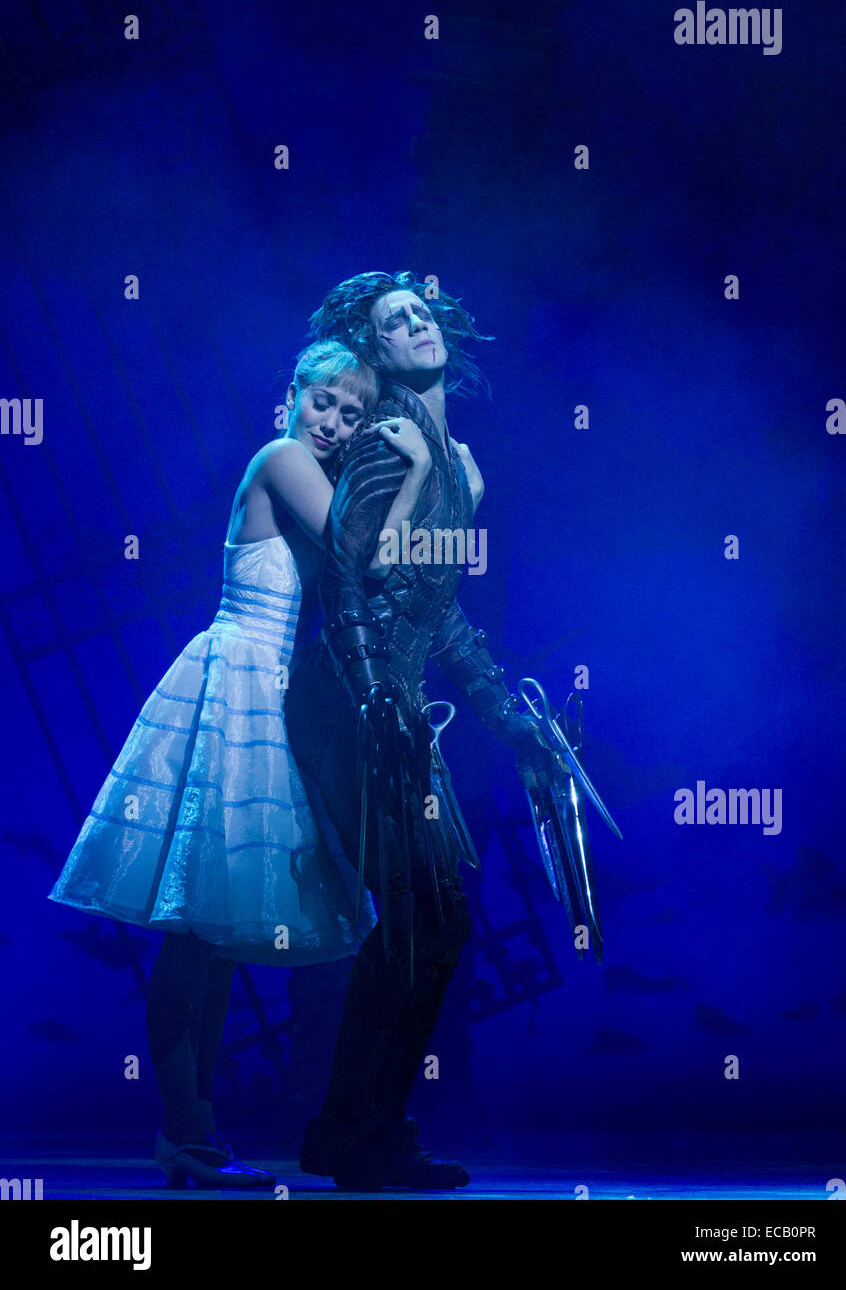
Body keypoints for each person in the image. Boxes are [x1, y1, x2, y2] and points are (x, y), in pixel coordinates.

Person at [48, 339, 442, 1190]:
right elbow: (362, 548)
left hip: (274, 692)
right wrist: (412, 478)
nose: (332, 422)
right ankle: (183, 1134)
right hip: (234, 683)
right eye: (323, 401)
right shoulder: (283, 457)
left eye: (350, 412)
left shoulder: (313, 467)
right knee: (197, 933)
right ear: (290, 395)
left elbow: (377, 570)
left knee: (212, 939)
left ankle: (193, 1137)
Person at [283, 272, 549, 1192]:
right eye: (393, 321)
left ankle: (361, 1129)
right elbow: (345, 578)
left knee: (432, 924)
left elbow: (440, 614)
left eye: (422, 310)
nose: (414, 322)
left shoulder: (447, 453)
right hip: (352, 702)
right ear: (375, 350)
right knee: (422, 921)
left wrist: (508, 720)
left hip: (390, 706)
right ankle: (354, 1131)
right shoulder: (392, 447)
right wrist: (372, 698)